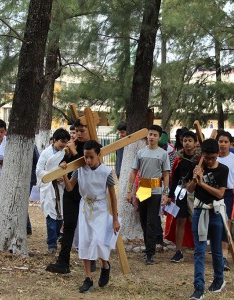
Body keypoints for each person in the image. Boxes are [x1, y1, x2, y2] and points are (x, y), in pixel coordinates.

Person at [62, 140, 120, 293]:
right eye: (86, 157)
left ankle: (105, 265)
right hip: (85, 208)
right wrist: (64, 175)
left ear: (99, 155)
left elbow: (113, 197)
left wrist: (114, 219)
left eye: (91, 157)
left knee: (99, 241)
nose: (87, 160)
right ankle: (88, 278)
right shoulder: (79, 169)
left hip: (100, 208)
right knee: (86, 242)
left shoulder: (106, 172)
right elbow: (70, 187)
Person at [46, 119, 90, 274]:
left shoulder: (92, 146)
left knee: (88, 227)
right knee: (69, 226)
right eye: (76, 131)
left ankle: (91, 260)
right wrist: (64, 163)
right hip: (70, 191)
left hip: (87, 194)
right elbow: (65, 164)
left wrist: (75, 153)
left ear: (89, 130)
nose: (78, 134)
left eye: (82, 130)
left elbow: (88, 166)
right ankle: (63, 261)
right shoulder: (72, 146)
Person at [187, 139, 228, 300]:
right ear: (202, 155)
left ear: (218, 154)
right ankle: (199, 287)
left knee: (217, 249)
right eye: (207, 158)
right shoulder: (197, 167)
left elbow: (220, 194)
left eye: (213, 158)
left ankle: (219, 279)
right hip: (199, 211)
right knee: (199, 250)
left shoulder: (223, 170)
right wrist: (195, 179)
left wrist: (202, 183)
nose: (210, 161)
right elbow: (190, 189)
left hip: (215, 212)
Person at [126, 124, 170, 265]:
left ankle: (150, 253)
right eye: (150, 134)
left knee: (151, 221)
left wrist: (165, 193)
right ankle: (148, 246)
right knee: (144, 221)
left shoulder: (163, 154)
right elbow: (133, 172)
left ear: (159, 137)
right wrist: (129, 191)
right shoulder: (141, 153)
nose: (152, 137)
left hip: (156, 190)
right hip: (143, 189)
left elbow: (166, 174)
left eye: (155, 135)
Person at [166, 130, 199, 262]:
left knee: (195, 221)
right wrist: (169, 195)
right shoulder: (179, 159)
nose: (187, 143)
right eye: (185, 140)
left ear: (195, 143)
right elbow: (174, 179)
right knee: (180, 220)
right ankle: (178, 251)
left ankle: (198, 248)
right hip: (180, 193)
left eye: (190, 140)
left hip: (196, 193)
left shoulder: (199, 159)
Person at [36, 128, 70, 254]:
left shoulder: (65, 154)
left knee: (60, 217)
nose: (63, 144)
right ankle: (51, 244)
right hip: (48, 188)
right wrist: (54, 175)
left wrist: (62, 175)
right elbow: (39, 171)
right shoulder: (46, 153)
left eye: (66, 142)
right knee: (50, 216)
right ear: (55, 140)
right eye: (62, 141)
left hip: (60, 188)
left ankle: (56, 238)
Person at [216, 130, 234, 270]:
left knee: (226, 225)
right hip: (214, 193)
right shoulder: (213, 158)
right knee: (215, 225)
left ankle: (224, 258)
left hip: (228, 194)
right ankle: (216, 255)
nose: (223, 144)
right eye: (220, 141)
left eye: (226, 142)